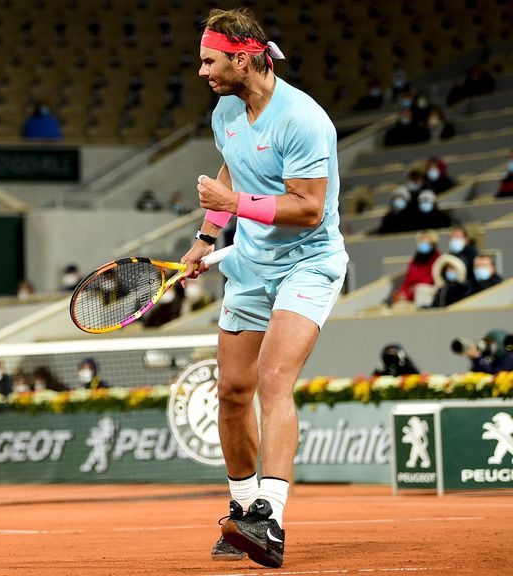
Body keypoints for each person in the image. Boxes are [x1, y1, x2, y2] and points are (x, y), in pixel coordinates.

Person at [181, 8, 348, 567]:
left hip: (308, 262)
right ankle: (242, 514)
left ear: (244, 56)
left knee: (275, 380)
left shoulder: (303, 118)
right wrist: (208, 238)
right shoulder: (226, 110)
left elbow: (308, 208)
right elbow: (231, 169)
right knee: (231, 391)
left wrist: (234, 207)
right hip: (250, 265)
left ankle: (269, 520)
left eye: (210, 60)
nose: (202, 71)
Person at [392, 230, 440, 307]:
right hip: (411, 294)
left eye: (427, 243)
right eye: (421, 242)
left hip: (429, 293)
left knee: (420, 289)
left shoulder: (438, 259)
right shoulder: (414, 261)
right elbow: (407, 281)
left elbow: (430, 280)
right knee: (398, 305)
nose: (423, 245)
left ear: (433, 244)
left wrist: (411, 291)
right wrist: (402, 293)